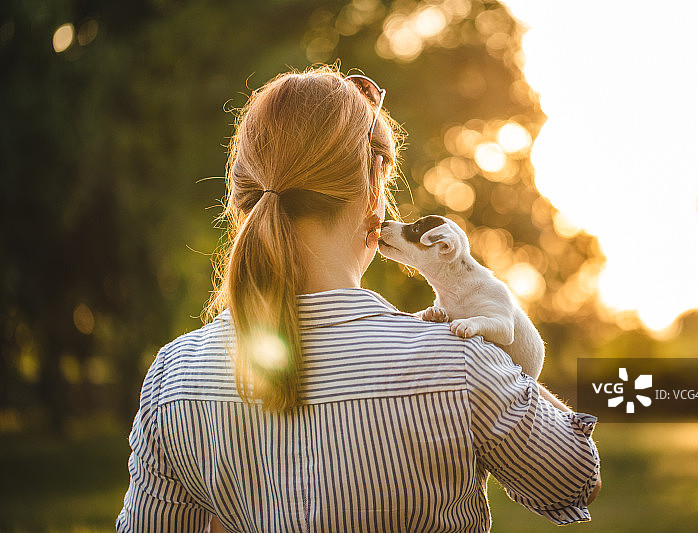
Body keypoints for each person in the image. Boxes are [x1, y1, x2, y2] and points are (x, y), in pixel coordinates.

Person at [116, 65, 600, 533]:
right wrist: (505, 360)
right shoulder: (459, 363)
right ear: (374, 188)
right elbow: (574, 479)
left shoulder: (173, 377)